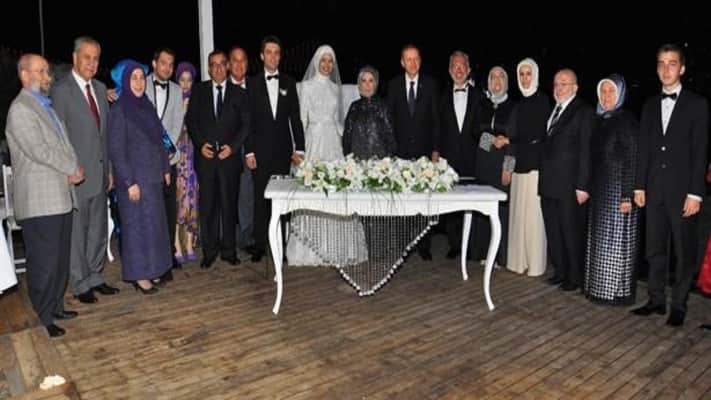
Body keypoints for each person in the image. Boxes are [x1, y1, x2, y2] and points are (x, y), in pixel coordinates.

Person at [6, 53, 84, 337]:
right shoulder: (21, 109)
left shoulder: (44, 106)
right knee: (44, 262)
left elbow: (63, 144)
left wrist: (74, 166)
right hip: (40, 200)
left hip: (59, 196)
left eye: (47, 71)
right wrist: (71, 167)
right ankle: (43, 316)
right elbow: (39, 150)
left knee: (59, 259)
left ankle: (55, 305)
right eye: (40, 71)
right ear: (24, 75)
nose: (46, 76)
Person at [631, 44, 709, 327]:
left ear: (682, 68)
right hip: (654, 189)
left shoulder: (697, 104)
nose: (666, 69)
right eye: (661, 63)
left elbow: (700, 152)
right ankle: (655, 300)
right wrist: (639, 186)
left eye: (672, 63)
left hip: (683, 192)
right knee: (654, 249)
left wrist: (695, 193)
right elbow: (644, 149)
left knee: (683, 251)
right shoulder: (649, 105)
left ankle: (678, 305)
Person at [51, 36, 119, 304]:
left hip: (100, 174)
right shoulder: (61, 91)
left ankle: (95, 276)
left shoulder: (100, 89)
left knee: (98, 230)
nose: (92, 63)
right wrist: (68, 168)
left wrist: (109, 170)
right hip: (76, 176)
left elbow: (105, 136)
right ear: (75, 58)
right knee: (78, 233)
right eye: (87, 57)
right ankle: (80, 283)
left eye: (96, 58)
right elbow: (58, 136)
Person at [286, 45, 367, 267]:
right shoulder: (306, 87)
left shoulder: (335, 88)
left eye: (330, 61)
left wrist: (347, 139)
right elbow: (301, 120)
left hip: (333, 143)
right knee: (313, 190)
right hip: (313, 141)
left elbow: (338, 119)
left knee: (337, 191)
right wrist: (298, 149)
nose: (327, 64)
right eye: (323, 60)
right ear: (316, 62)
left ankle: (338, 247)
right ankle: (310, 248)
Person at [108, 60, 172, 294]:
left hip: (153, 178)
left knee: (153, 228)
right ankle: (139, 276)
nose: (138, 82)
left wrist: (165, 168)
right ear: (125, 81)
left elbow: (159, 140)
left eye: (141, 77)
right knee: (136, 230)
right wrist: (129, 182)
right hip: (134, 181)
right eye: (133, 78)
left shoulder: (147, 105)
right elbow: (116, 149)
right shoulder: (119, 109)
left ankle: (153, 269)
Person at [185, 50, 250, 269]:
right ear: (209, 68)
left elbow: (245, 125)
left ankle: (229, 251)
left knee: (229, 207)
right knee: (208, 208)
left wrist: (232, 148)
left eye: (222, 64)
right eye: (214, 64)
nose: (219, 68)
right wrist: (200, 143)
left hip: (229, 160)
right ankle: (209, 251)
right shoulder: (199, 90)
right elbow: (191, 121)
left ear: (228, 66)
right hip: (206, 160)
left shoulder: (239, 93)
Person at [245, 35, 305, 263]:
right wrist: (249, 151)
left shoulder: (289, 82)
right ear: (262, 56)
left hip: (282, 151)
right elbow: (248, 121)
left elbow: (295, 118)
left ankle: (282, 246)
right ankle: (259, 245)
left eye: (276, 53)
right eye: (269, 52)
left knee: (282, 200)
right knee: (261, 199)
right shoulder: (252, 83)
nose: (273, 57)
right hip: (259, 152)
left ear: (280, 57)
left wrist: (300, 149)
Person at [584, 74, 640, 305]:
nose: (606, 96)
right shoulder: (601, 120)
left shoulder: (626, 120)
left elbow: (632, 159)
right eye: (603, 91)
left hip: (618, 191)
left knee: (616, 241)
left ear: (620, 95)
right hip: (601, 190)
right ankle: (599, 288)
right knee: (600, 240)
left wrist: (627, 195)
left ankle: (617, 292)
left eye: (611, 92)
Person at [539, 68, 594, 292]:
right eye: (555, 84)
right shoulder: (554, 110)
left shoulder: (584, 111)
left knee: (571, 232)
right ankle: (560, 271)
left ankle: (575, 276)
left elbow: (586, 150)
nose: (558, 88)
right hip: (549, 183)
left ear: (575, 88)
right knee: (554, 231)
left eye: (564, 84)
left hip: (570, 185)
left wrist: (583, 185)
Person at [387, 44, 440, 260]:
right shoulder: (393, 85)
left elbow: (436, 120)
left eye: (416, 59)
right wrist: (390, 152)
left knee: (424, 200)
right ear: (402, 62)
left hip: (424, 152)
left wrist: (435, 149)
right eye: (408, 59)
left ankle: (424, 245)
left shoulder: (431, 84)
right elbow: (390, 121)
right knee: (402, 200)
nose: (412, 63)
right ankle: (403, 245)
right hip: (399, 153)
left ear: (420, 61)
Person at [505, 58, 550, 277]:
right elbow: (510, 140)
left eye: (528, 73)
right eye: (521, 74)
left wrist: (509, 143)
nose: (524, 78)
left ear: (536, 75)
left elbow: (537, 137)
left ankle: (535, 264)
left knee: (533, 219)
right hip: (515, 167)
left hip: (534, 168)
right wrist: (507, 166)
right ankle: (517, 261)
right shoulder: (517, 105)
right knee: (517, 216)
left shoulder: (543, 102)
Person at [438, 51, 483, 259]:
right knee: (452, 203)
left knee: (472, 201)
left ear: (468, 70)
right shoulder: (441, 97)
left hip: (473, 157)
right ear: (449, 70)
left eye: (462, 66)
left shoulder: (480, 96)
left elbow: (484, 130)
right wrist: (436, 152)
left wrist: (488, 151)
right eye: (455, 66)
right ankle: (455, 244)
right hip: (449, 157)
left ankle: (473, 245)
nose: (459, 70)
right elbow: (437, 128)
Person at [471, 66, 515, 267]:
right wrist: (490, 140)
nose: (497, 81)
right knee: (484, 209)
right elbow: (474, 132)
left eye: (501, 77)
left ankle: (499, 256)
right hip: (484, 162)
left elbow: (516, 140)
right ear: (489, 82)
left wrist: (509, 167)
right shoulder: (481, 105)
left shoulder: (514, 107)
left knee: (501, 210)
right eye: (493, 77)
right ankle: (482, 251)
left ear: (506, 82)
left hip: (503, 164)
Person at [145, 47, 184, 274]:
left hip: (169, 157)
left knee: (169, 208)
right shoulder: (140, 84)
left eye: (171, 64)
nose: (168, 68)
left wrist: (167, 148)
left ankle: (169, 253)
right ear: (154, 63)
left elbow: (177, 122)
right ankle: (153, 254)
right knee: (151, 208)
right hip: (147, 159)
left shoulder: (177, 90)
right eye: (163, 63)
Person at [228, 46, 256, 254]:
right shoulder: (221, 88)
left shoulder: (256, 87)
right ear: (229, 65)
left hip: (250, 149)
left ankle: (247, 238)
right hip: (226, 151)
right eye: (234, 60)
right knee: (228, 196)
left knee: (247, 195)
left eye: (242, 60)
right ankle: (227, 239)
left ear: (247, 63)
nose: (239, 65)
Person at [174, 62, 199, 264]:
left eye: (189, 80)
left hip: (193, 159)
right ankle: (176, 244)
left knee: (192, 200)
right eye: (182, 80)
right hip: (177, 159)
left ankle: (190, 243)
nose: (185, 84)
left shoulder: (197, 101)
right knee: (178, 201)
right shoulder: (173, 102)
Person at [342, 66, 395, 158]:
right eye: (364, 81)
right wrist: (349, 159)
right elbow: (347, 137)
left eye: (371, 81)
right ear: (359, 84)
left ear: (375, 83)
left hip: (379, 161)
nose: (367, 85)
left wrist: (387, 161)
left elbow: (391, 137)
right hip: (357, 161)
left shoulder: (383, 106)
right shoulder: (354, 107)